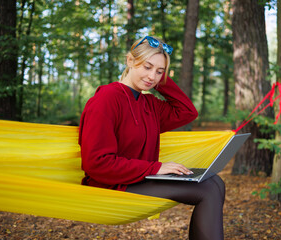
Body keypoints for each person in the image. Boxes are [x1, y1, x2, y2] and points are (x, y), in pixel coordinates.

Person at [78, 36, 226, 240]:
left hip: (141, 179)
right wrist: (155, 168)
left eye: (159, 72)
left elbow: (187, 112)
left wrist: (159, 81)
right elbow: (95, 163)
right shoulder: (106, 99)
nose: (152, 77)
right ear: (130, 61)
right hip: (111, 186)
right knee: (208, 190)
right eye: (147, 67)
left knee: (215, 183)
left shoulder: (149, 104)